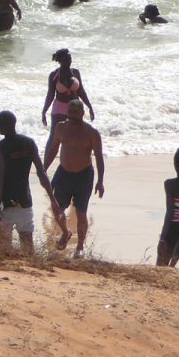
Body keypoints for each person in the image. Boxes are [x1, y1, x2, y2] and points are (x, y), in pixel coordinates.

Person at [0, 111, 59, 253]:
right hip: (25, 202)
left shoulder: (0, 147)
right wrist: (52, 199)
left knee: (4, 248)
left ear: (4, 126)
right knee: (27, 248)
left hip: (7, 204)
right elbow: (41, 173)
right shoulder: (29, 143)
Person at [44, 98, 105, 254]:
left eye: (75, 112)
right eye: (69, 112)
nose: (71, 115)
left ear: (82, 113)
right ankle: (65, 232)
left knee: (81, 213)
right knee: (57, 209)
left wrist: (100, 181)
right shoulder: (60, 127)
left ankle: (80, 247)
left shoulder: (91, 133)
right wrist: (43, 169)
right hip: (63, 173)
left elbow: (99, 157)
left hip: (84, 176)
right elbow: (53, 149)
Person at [41, 48, 94, 151]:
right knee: (54, 137)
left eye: (70, 58)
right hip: (60, 108)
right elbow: (50, 95)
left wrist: (90, 107)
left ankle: (74, 158)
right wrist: (44, 111)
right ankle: (45, 162)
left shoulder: (76, 73)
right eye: (67, 58)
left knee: (77, 135)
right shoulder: (54, 75)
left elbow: (81, 92)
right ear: (60, 61)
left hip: (75, 108)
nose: (70, 60)